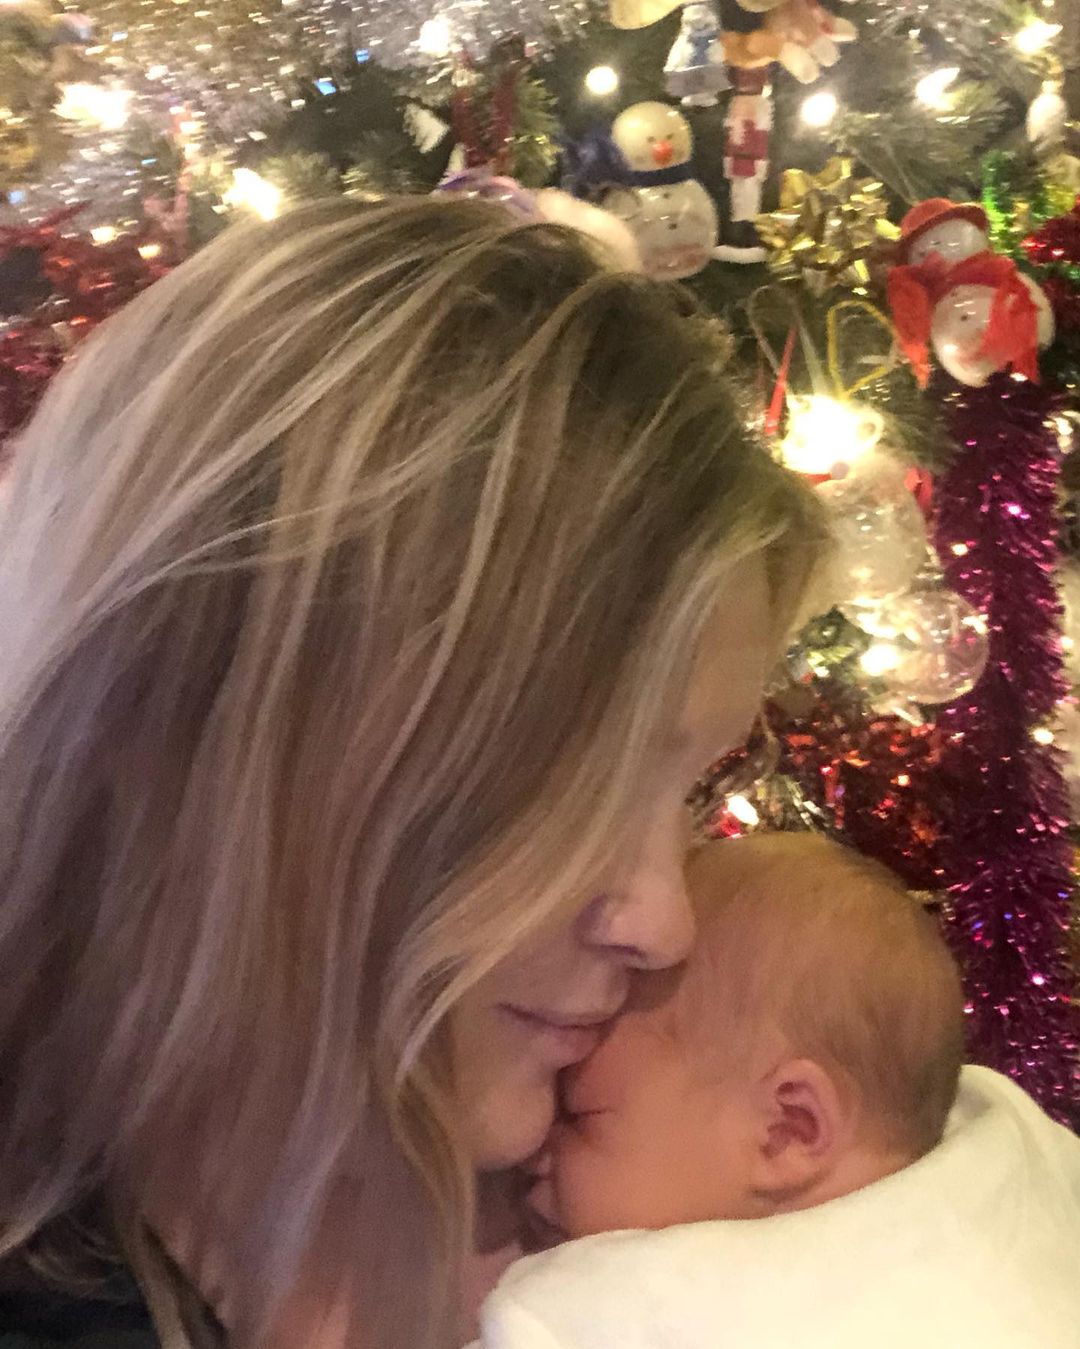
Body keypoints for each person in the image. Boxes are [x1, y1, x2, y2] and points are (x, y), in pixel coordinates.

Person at [0, 195, 827, 1349]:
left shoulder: (615, 1198)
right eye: (569, 780)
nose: (666, 922)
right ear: (220, 739)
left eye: (688, 789)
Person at [480, 833, 1080, 1348]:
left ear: (787, 1128)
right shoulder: (1014, 1167)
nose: (536, 1151)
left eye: (580, 1115)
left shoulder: (619, 1305)